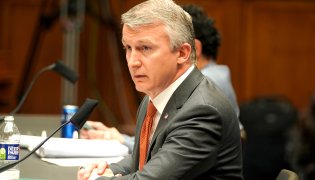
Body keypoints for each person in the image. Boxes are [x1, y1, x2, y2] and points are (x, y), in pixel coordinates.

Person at [77, 0, 242, 179]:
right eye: (128, 48)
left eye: (145, 48)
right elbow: (148, 158)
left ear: (182, 53)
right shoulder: (154, 97)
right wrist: (111, 170)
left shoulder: (203, 111)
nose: (133, 61)